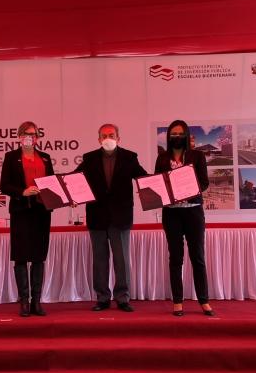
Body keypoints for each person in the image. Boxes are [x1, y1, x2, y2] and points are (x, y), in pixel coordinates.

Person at [75, 123, 147, 312]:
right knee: (100, 259)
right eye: (104, 135)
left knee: (122, 259)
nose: (108, 138)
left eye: (112, 135)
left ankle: (123, 298)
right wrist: (69, 194)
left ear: (119, 138)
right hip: (97, 216)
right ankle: (102, 298)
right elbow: (74, 179)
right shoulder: (89, 159)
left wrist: (150, 189)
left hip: (121, 217)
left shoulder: (130, 157)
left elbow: (144, 178)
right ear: (99, 139)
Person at [155, 120, 214, 316]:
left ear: (187, 135)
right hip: (171, 213)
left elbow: (204, 183)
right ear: (169, 136)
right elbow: (157, 183)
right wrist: (150, 191)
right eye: (173, 134)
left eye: (180, 133)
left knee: (197, 257)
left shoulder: (197, 156)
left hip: (193, 211)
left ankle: (204, 301)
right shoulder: (162, 158)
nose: (177, 137)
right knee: (175, 258)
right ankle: (178, 301)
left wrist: (189, 190)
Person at [0, 121, 54, 317]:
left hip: (42, 212)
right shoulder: (11, 157)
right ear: (19, 136)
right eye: (26, 133)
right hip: (21, 212)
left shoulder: (46, 158)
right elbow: (4, 185)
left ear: (38, 137)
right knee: (21, 257)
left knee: (39, 257)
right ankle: (24, 301)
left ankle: (36, 301)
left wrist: (65, 198)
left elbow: (53, 185)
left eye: (33, 134)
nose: (30, 137)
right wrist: (22, 191)